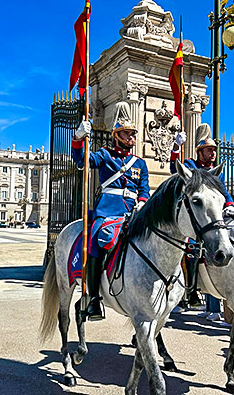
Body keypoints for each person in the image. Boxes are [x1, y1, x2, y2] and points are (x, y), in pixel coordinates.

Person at [72, 102, 150, 321]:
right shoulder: (105, 155)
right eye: (126, 134)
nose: (131, 138)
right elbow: (81, 161)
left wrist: (143, 202)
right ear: (116, 136)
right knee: (97, 240)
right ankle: (94, 298)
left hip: (133, 212)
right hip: (107, 211)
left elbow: (144, 188)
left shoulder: (140, 163)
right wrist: (79, 139)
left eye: (133, 135)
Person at [170, 123, 234, 309]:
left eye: (214, 150)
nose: (213, 154)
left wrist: (230, 205)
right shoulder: (191, 165)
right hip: (193, 216)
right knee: (192, 249)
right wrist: (176, 147)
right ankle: (191, 291)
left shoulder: (216, 171)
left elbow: (224, 192)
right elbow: (173, 169)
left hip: (212, 216)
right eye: (209, 150)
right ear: (200, 152)